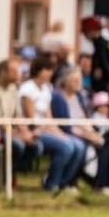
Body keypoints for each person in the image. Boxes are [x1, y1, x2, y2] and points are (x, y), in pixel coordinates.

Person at [18, 54, 85, 193]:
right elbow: (31, 120)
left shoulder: (46, 89)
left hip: (46, 129)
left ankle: (64, 182)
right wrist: (53, 132)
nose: (51, 73)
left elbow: (49, 117)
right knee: (66, 147)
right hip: (33, 131)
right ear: (40, 70)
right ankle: (51, 183)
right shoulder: (27, 89)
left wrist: (59, 133)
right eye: (48, 70)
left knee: (78, 146)